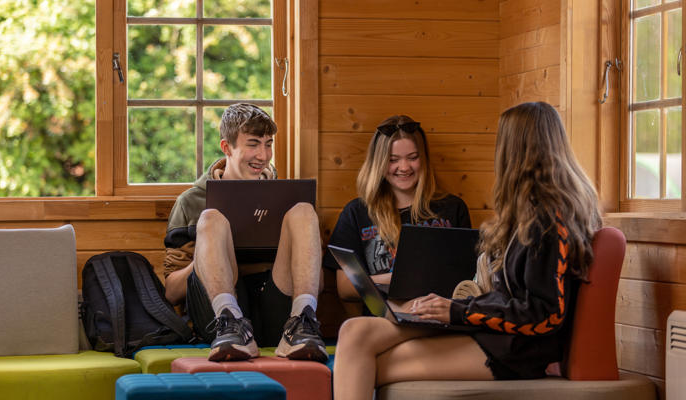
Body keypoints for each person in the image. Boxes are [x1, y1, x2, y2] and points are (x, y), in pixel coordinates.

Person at [332, 102, 603, 399]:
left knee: (368, 362)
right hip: (493, 331)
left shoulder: (549, 222)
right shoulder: (529, 213)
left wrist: (459, 311)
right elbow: (512, 296)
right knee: (354, 332)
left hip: (514, 348)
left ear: (516, 149)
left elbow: (545, 314)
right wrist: (451, 308)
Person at [163, 103, 327, 363]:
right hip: (219, 322)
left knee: (305, 211)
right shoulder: (192, 201)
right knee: (211, 218)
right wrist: (210, 255)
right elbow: (172, 291)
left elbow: (318, 281)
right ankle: (231, 322)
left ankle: (302, 322)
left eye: (268, 144)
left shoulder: (285, 199)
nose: (263, 155)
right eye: (253, 144)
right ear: (227, 147)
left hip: (277, 312)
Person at [322, 114, 471, 302]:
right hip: (386, 317)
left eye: (413, 157)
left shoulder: (453, 208)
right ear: (379, 163)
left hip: (439, 314)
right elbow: (345, 288)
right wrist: (401, 279)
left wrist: (374, 282)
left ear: (423, 158)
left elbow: (467, 280)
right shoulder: (357, 212)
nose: (404, 167)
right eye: (393, 159)